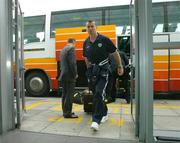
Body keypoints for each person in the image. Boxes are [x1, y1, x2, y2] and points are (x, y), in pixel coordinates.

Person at [83, 20, 124, 131]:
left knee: (98, 93)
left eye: (92, 26)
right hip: (93, 72)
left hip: (104, 71)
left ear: (96, 27)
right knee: (97, 94)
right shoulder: (86, 42)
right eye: (88, 27)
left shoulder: (104, 40)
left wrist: (120, 66)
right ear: (86, 28)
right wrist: (89, 71)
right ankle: (104, 112)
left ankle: (96, 120)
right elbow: (86, 57)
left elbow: (115, 53)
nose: (90, 28)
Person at [58, 38, 78, 118]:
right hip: (69, 75)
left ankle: (65, 111)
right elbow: (72, 63)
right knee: (70, 95)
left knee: (65, 94)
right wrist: (75, 74)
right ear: (73, 42)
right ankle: (68, 113)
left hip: (63, 74)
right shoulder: (71, 48)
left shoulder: (63, 49)